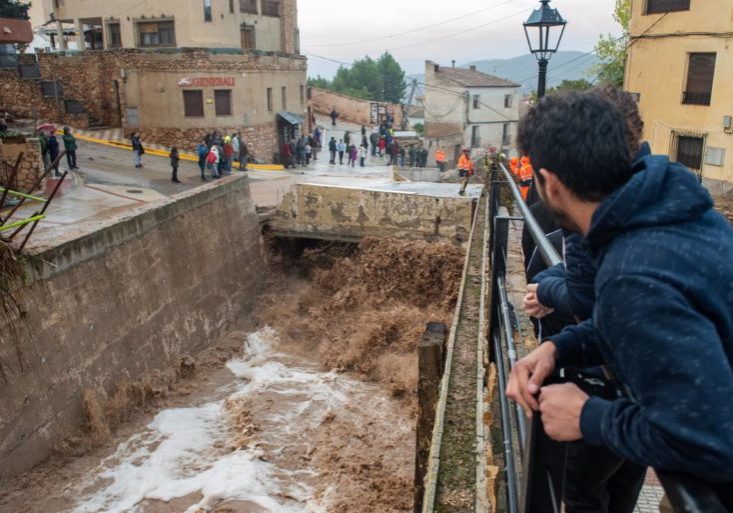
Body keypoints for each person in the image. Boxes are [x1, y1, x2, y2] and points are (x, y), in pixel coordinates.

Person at [507, 92, 733, 493]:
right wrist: (560, 347)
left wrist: (588, 416)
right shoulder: (670, 211)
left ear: (550, 184)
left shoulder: (632, 272)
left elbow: (714, 442)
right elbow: (648, 320)